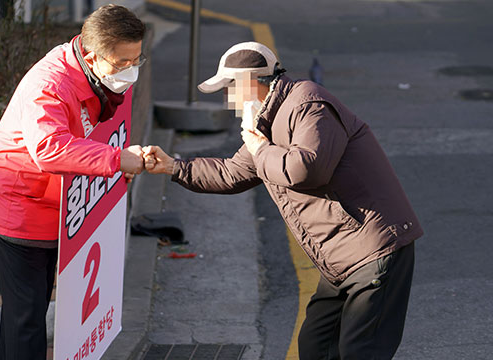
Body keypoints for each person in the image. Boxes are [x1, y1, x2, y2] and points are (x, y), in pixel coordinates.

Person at [143, 42, 422, 359]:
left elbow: (307, 169)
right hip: (341, 260)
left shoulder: (308, 103)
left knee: (360, 351)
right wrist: (172, 167)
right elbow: (232, 173)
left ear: (249, 83)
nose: (227, 100)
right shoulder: (264, 123)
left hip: (373, 249)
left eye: (228, 89)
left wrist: (261, 150)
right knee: (317, 346)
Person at [0, 5, 146, 359]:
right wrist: (116, 159)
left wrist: (118, 161)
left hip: (50, 206)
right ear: (90, 54)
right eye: (122, 64)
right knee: (27, 321)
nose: (130, 72)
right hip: (20, 210)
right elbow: (49, 149)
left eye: (137, 61)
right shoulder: (51, 84)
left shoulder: (90, 72)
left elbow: (92, 130)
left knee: (22, 313)